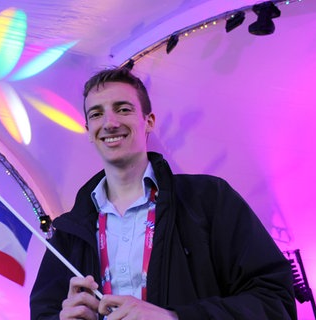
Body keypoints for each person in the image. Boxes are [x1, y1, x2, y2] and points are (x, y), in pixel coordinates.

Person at [30, 67, 296, 319]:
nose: (109, 123)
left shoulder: (209, 200)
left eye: (123, 109)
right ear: (88, 131)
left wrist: (174, 316)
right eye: (97, 114)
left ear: (149, 121)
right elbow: (43, 313)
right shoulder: (68, 231)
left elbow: (274, 300)